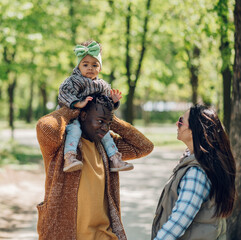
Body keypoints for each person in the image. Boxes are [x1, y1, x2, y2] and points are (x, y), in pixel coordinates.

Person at [36, 94, 154, 240]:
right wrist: (73, 109)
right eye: (100, 121)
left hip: (104, 235)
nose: (105, 128)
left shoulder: (108, 147)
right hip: (64, 234)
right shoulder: (61, 146)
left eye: (108, 123)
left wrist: (109, 116)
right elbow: (45, 126)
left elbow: (145, 146)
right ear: (83, 115)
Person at [152, 104, 236, 240]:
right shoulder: (199, 163)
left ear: (193, 131)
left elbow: (180, 219)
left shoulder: (197, 173)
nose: (176, 124)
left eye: (180, 122)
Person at [58, 40, 133, 173]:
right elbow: (64, 93)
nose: (90, 68)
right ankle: (69, 157)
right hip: (74, 115)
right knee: (74, 130)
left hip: (93, 120)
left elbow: (104, 106)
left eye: (94, 65)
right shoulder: (74, 81)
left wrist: (113, 101)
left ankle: (115, 159)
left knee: (106, 134)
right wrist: (77, 103)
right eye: (85, 64)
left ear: (100, 68)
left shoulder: (102, 85)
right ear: (78, 66)